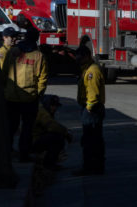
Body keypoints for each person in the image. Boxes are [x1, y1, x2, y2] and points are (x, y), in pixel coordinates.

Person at [3, 28, 48, 162]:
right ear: (36, 39)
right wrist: (38, 94)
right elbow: (43, 79)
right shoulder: (38, 56)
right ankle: (24, 154)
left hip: (11, 97)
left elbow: (4, 73)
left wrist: (5, 90)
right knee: (27, 128)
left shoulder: (12, 52)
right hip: (29, 98)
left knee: (11, 127)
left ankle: (7, 152)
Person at [74, 46, 106, 175]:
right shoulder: (86, 69)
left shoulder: (92, 71)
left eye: (80, 57)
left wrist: (88, 108)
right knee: (93, 139)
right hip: (91, 109)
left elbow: (93, 94)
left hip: (92, 110)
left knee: (90, 141)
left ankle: (91, 167)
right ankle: (95, 166)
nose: (78, 59)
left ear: (86, 56)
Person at [31, 94, 72, 171]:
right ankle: (48, 164)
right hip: (33, 141)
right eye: (52, 105)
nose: (55, 108)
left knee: (56, 136)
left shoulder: (45, 111)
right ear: (47, 104)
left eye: (56, 106)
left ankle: (49, 161)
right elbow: (52, 126)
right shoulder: (43, 112)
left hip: (35, 139)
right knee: (57, 138)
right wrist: (66, 132)